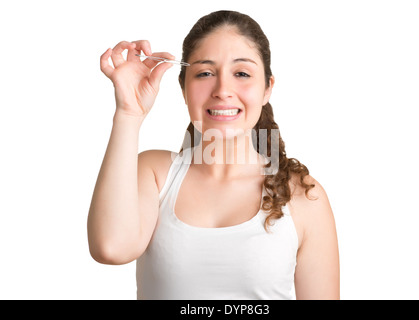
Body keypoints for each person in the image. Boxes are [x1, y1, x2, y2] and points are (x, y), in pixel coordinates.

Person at [88, 10, 339, 300]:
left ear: (267, 88)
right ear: (183, 87)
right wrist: (128, 114)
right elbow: (111, 247)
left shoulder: (303, 196)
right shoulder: (155, 173)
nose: (223, 90)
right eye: (205, 73)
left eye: (242, 73)